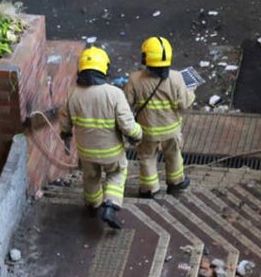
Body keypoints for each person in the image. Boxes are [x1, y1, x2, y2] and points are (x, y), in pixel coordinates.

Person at [58, 46, 141, 229]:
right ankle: (110, 205)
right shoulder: (114, 94)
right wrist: (138, 134)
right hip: (111, 152)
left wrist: (65, 135)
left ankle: (92, 206)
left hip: (86, 152)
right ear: (104, 68)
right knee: (117, 173)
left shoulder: (73, 95)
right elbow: (127, 125)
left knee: (90, 177)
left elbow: (64, 121)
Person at [124, 37, 195, 198]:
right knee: (174, 154)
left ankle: (150, 189)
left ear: (145, 58)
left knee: (147, 157)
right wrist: (191, 92)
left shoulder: (135, 79)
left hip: (147, 130)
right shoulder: (177, 78)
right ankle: (176, 183)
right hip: (171, 130)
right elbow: (184, 105)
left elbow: (126, 105)